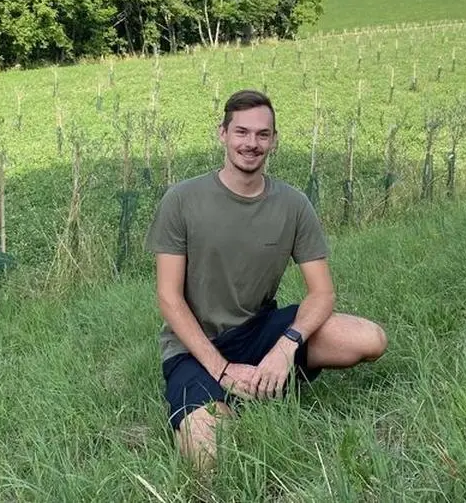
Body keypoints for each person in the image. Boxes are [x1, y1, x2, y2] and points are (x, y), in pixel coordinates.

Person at [146, 88, 388, 470]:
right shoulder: (182, 200)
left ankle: (260, 380)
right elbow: (169, 298)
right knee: (211, 455)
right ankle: (216, 401)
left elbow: (322, 293)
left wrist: (285, 347)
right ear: (222, 133)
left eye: (262, 134)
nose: (251, 143)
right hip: (195, 345)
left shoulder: (293, 205)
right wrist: (221, 368)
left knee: (369, 339)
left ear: (274, 141)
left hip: (261, 332)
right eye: (241, 132)